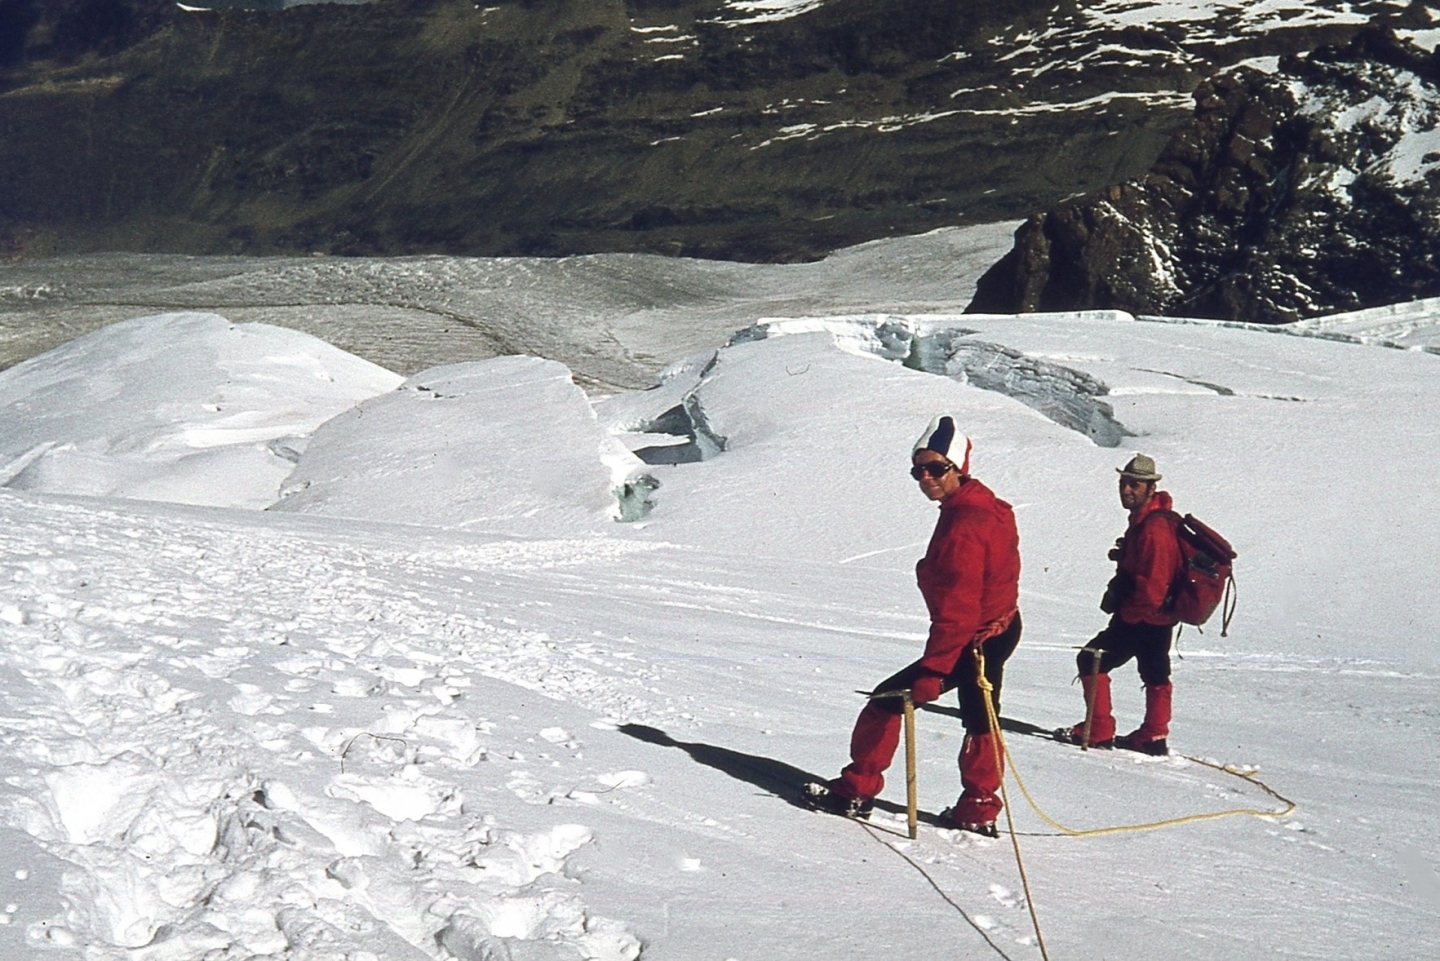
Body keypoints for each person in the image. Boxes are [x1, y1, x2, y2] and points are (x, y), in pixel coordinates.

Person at [804, 415, 1022, 836]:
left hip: (969, 640)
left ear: (959, 467)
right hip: (998, 629)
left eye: (936, 468)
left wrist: (936, 669)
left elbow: (956, 610)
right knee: (981, 716)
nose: (925, 477)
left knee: (886, 701)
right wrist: (1001, 617)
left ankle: (856, 790)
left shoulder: (964, 525)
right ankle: (978, 808)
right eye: (918, 470)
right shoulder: (988, 506)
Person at [1057, 453, 1181, 756]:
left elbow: (1152, 586)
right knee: (1155, 673)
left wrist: (1128, 611)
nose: (1126, 489)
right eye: (1124, 482)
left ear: (1151, 488)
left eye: (1134, 484)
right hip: (1161, 618)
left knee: (1091, 659)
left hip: (1142, 617)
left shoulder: (1154, 528)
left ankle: (1098, 730)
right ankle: (1153, 735)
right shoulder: (1150, 520)